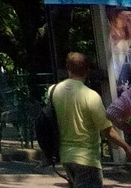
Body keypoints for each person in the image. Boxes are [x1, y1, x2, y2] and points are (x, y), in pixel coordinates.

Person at [50, 51, 131, 188]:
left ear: (68, 68)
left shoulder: (53, 91)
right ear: (87, 71)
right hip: (87, 158)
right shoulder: (90, 96)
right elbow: (107, 130)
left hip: (65, 156)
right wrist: (126, 147)